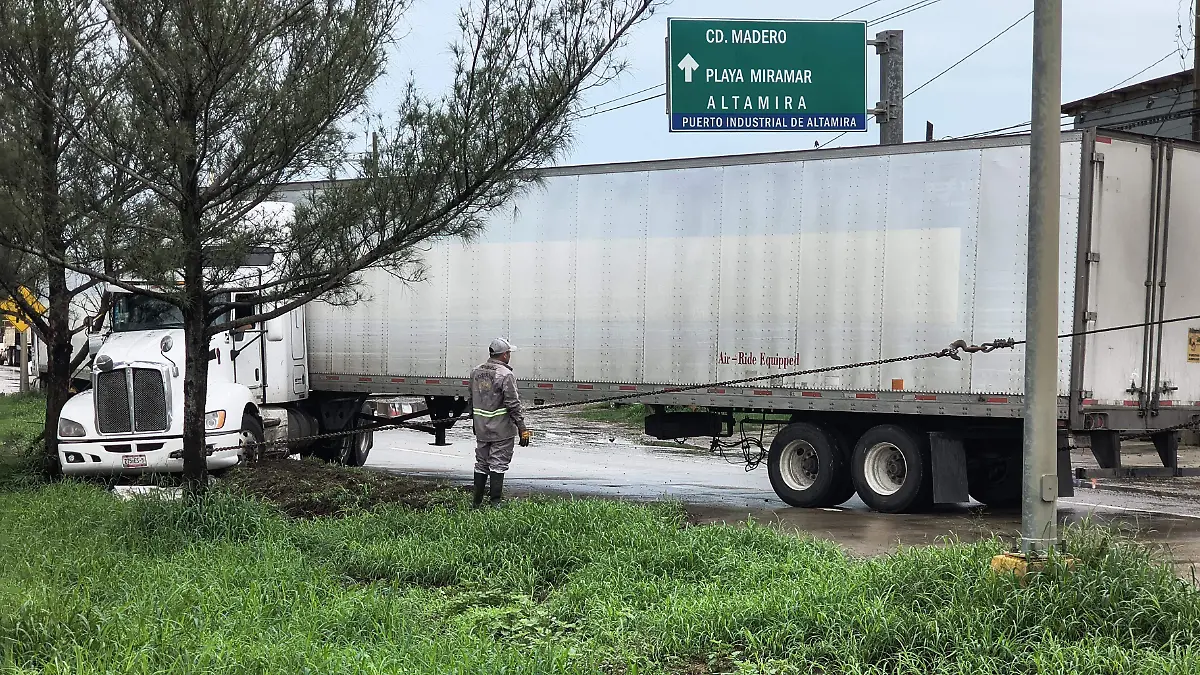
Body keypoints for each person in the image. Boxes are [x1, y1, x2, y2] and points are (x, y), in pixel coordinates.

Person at [469, 337, 531, 507]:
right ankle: (495, 503)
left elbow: (471, 399)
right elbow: (513, 404)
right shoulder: (505, 375)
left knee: (481, 463)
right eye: (509, 353)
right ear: (504, 355)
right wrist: (522, 427)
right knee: (498, 463)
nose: (509, 355)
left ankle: (476, 503)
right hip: (501, 430)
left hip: (482, 428)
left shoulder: (476, 372)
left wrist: (475, 424)